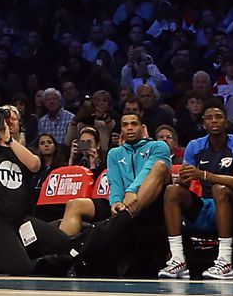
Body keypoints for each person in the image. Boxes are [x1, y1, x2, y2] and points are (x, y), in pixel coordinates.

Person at [0, 109, 74, 274]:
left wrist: (8, 139)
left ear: (19, 125)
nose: (7, 122)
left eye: (12, 119)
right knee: (22, 268)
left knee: (64, 243)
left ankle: (10, 253)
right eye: (3, 119)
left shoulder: (22, 150)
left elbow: (34, 165)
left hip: (18, 220)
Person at [160, 97, 233, 280]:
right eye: (209, 118)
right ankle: (178, 259)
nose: (214, 121)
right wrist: (182, 179)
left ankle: (225, 261)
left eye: (218, 117)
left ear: (226, 122)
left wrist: (203, 175)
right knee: (172, 191)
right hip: (205, 206)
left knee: (220, 189)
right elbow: (186, 181)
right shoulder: (195, 146)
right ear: (203, 123)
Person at [71, 110, 173, 275]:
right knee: (75, 205)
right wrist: (116, 202)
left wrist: (132, 191)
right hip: (124, 203)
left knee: (159, 166)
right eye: (125, 125)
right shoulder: (114, 153)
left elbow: (148, 170)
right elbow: (115, 181)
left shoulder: (158, 146)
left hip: (153, 204)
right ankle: (62, 252)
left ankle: (78, 251)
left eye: (134, 124)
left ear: (143, 127)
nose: (129, 128)